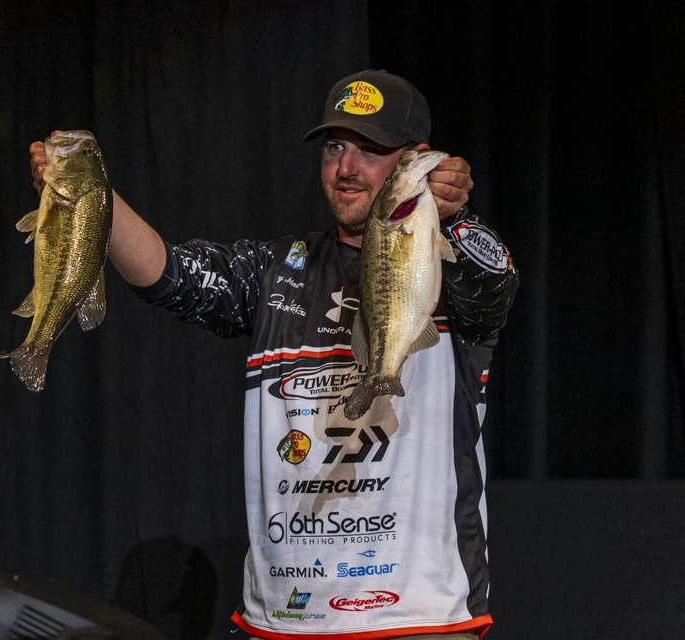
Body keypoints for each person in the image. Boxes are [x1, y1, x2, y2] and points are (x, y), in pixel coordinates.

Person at [29, 70, 518, 640]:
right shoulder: (275, 268)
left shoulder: (452, 265)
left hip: (418, 618)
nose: (346, 167)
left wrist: (454, 214)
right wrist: (89, 194)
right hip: (284, 620)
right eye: (334, 147)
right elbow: (170, 275)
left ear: (417, 159)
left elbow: (495, 286)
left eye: (370, 150)